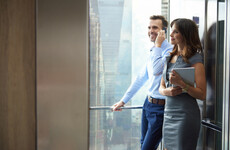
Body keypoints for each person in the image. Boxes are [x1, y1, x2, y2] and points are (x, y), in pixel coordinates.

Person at [111, 15, 173, 150]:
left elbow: (157, 70)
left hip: (160, 109)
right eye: (149, 27)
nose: (151, 31)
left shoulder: (170, 51)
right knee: (143, 144)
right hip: (148, 104)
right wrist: (123, 101)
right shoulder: (153, 51)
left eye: (155, 28)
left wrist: (157, 45)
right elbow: (141, 78)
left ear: (163, 31)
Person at [159, 18, 206, 150]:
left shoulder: (195, 59)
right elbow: (161, 87)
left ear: (185, 34)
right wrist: (166, 92)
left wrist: (181, 84)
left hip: (186, 116)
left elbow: (202, 94)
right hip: (168, 114)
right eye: (171, 31)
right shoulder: (169, 57)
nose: (171, 34)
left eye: (176, 32)